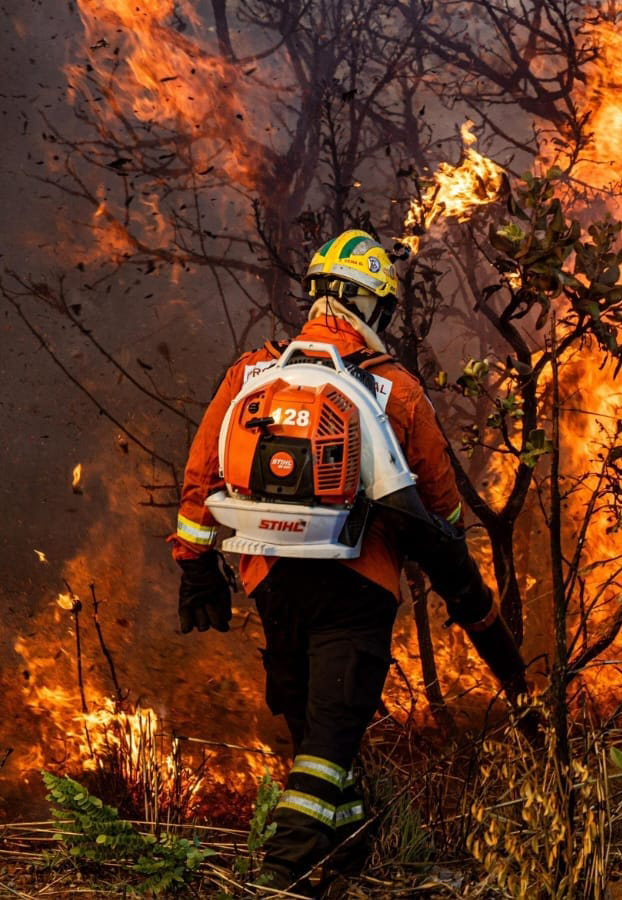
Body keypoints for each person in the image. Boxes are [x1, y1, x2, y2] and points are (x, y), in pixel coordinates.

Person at [170, 229, 525, 891]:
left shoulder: (250, 374)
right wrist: (456, 577)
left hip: (269, 580)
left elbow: (200, 480)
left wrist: (196, 566)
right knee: (329, 744)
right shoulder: (395, 391)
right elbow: (441, 513)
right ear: (377, 309)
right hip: (356, 586)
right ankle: (277, 879)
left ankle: (351, 863)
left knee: (317, 740)